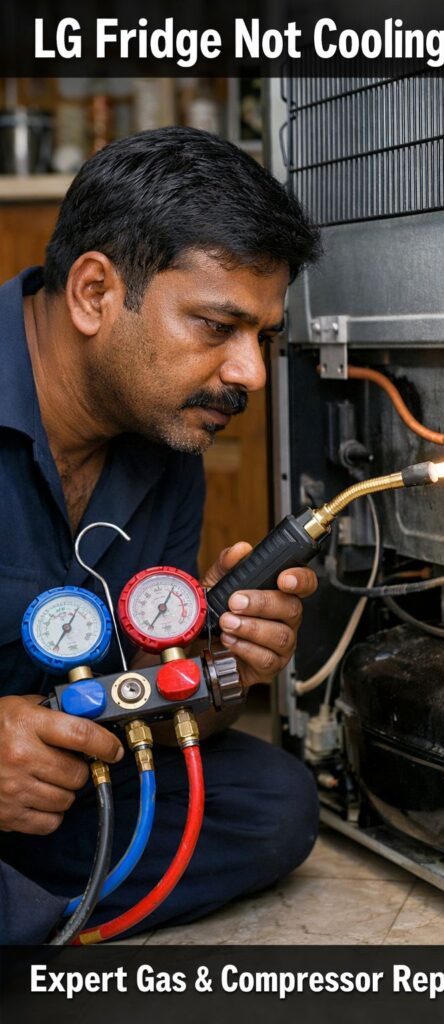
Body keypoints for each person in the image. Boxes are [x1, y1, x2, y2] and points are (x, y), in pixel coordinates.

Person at [0, 126, 322, 943]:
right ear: (95, 294)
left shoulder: (169, 439)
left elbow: (139, 705)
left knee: (271, 805)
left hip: (52, 781)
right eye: (218, 326)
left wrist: (213, 665)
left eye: (263, 337)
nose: (250, 372)